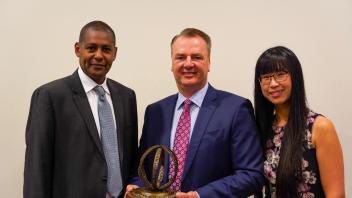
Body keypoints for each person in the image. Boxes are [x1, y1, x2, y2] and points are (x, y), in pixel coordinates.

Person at [126, 28, 264, 198]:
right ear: (172, 63)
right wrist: (136, 186)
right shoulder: (155, 112)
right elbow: (144, 169)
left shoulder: (236, 109)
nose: (188, 63)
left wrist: (200, 195)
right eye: (180, 57)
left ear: (209, 63)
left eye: (197, 57)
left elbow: (251, 174)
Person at [24, 21, 138, 198]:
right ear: (78, 49)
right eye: (91, 48)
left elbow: (130, 158)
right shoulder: (50, 96)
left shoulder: (126, 96)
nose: (99, 56)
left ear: (115, 53)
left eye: (106, 49)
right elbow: (37, 167)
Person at [254, 46, 345, 197]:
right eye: (266, 77)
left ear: (295, 76)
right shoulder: (263, 128)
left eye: (280, 74)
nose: (273, 83)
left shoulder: (320, 127)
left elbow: (336, 194)